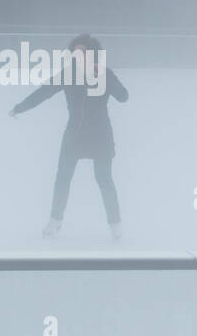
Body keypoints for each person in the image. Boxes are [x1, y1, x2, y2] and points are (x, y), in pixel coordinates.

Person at [8, 34, 129, 240]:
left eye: (82, 52)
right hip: (74, 134)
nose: (77, 55)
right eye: (75, 52)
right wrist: (20, 108)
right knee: (63, 178)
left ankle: (115, 225)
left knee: (104, 179)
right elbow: (43, 93)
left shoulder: (104, 74)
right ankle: (55, 221)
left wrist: (106, 77)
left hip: (100, 135)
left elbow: (123, 96)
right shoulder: (68, 74)